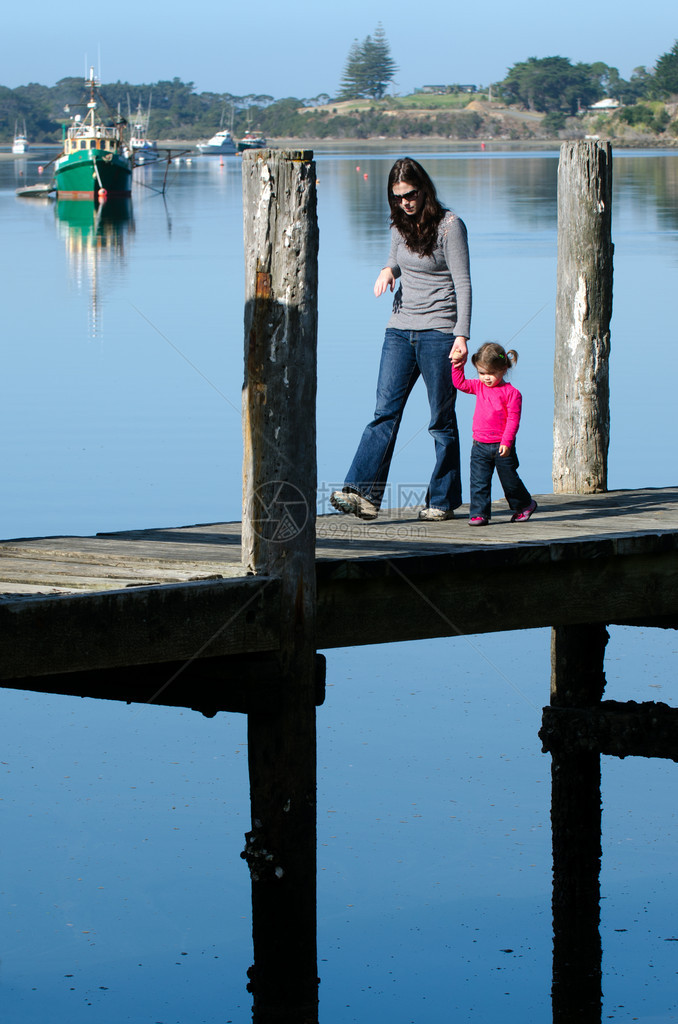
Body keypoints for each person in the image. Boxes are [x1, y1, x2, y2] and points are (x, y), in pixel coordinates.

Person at [330, 157, 471, 522]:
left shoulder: (450, 227)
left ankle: (442, 500)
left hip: (439, 332)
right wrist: (386, 270)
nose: (405, 202)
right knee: (384, 413)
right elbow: (395, 260)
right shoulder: (399, 225)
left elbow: (463, 283)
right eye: (397, 197)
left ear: (424, 190)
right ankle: (362, 494)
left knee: (441, 420)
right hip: (399, 329)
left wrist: (461, 335)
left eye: (410, 195)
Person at [451, 342, 537, 526]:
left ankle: (525, 505)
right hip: (479, 445)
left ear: (504, 370)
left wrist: (507, 442)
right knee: (478, 482)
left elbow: (513, 420)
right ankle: (479, 514)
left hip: (502, 446)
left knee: (510, 481)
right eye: (482, 373)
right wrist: (457, 364)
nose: (486, 378)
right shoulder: (479, 387)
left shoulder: (512, 393)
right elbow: (459, 383)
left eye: (491, 373)